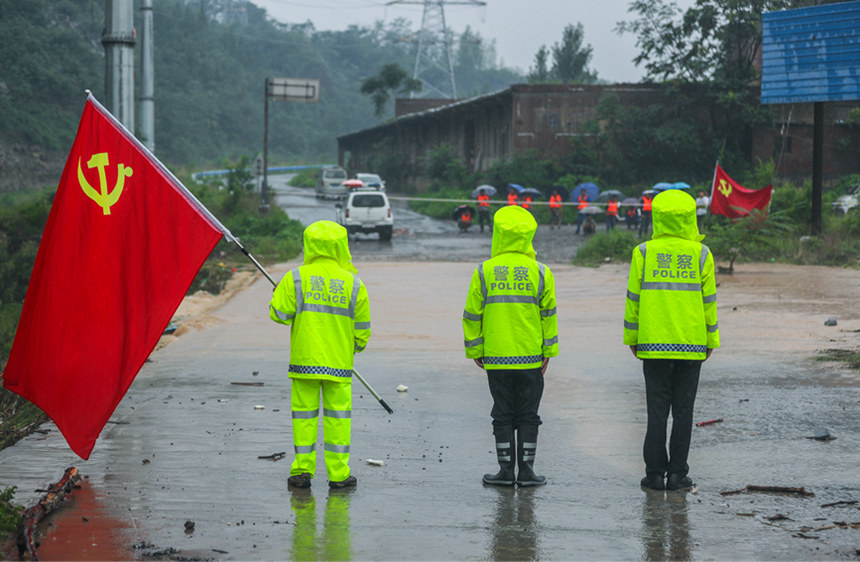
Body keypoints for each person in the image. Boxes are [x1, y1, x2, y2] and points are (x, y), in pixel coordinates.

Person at [623, 190, 720, 492]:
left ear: (658, 216)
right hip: (691, 345)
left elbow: (633, 301)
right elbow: (709, 303)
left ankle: (654, 475)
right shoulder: (702, 254)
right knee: (683, 412)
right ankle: (677, 475)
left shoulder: (644, 253)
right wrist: (710, 341)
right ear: (690, 217)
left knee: (656, 411)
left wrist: (632, 338)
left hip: (653, 345)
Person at [269, 220, 371, 490]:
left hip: (304, 363)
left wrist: (279, 293)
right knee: (338, 421)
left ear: (309, 244)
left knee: (304, 418)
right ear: (341, 246)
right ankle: (338, 476)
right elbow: (362, 333)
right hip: (339, 365)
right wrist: (351, 349)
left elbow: (279, 315)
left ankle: (302, 471)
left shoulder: (295, 278)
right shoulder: (354, 284)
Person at [462, 205, 559, 487]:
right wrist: (548, 353)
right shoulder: (541, 272)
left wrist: (476, 351)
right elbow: (548, 316)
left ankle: (505, 472)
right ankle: (527, 472)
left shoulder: (484, 271)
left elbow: (472, 315)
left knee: (502, 412)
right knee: (529, 414)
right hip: (531, 358)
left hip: (497, 357)